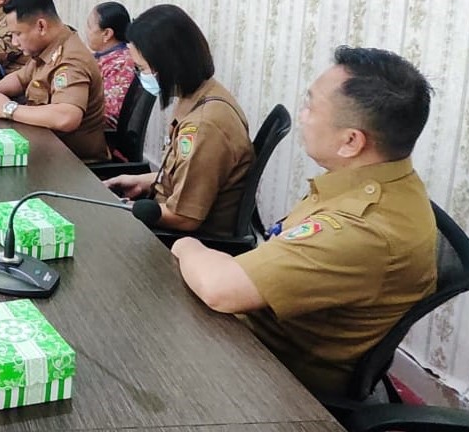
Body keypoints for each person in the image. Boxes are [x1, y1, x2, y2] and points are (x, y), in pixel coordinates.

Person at [170, 47, 438, 397]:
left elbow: (221, 289)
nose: (304, 116)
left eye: (311, 106)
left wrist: (184, 244)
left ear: (351, 141)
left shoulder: (361, 228)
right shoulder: (376, 181)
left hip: (273, 380)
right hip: (255, 329)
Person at [103, 4, 254, 235]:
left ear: (168, 65)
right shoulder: (199, 93)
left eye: (141, 69)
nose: (140, 76)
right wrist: (142, 180)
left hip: (189, 241)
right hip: (172, 215)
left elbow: (185, 218)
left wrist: (130, 210)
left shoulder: (204, 126)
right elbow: (189, 177)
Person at [0, 0, 107, 159]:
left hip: (71, 163)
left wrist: (7, 108)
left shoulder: (71, 60)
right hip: (44, 146)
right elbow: (21, 77)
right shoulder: (49, 46)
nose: (14, 42)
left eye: (17, 34)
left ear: (41, 26)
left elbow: (67, 117)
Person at [84, 1, 135, 130]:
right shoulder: (102, 56)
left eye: (89, 26)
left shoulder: (122, 65)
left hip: (97, 135)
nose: (86, 32)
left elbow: (109, 116)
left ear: (107, 34)